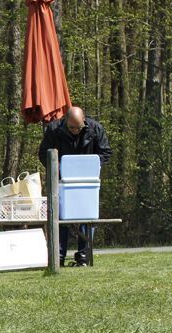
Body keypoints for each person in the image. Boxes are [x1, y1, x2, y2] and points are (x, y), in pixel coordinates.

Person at [37, 105, 112, 266]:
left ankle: (83, 256)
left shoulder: (95, 129)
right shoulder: (54, 129)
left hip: (87, 182)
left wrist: (90, 164)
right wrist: (57, 167)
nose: (75, 130)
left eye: (78, 127)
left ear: (84, 120)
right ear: (65, 121)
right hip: (61, 181)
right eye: (71, 127)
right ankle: (59, 256)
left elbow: (106, 153)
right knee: (60, 216)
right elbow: (43, 153)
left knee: (87, 217)